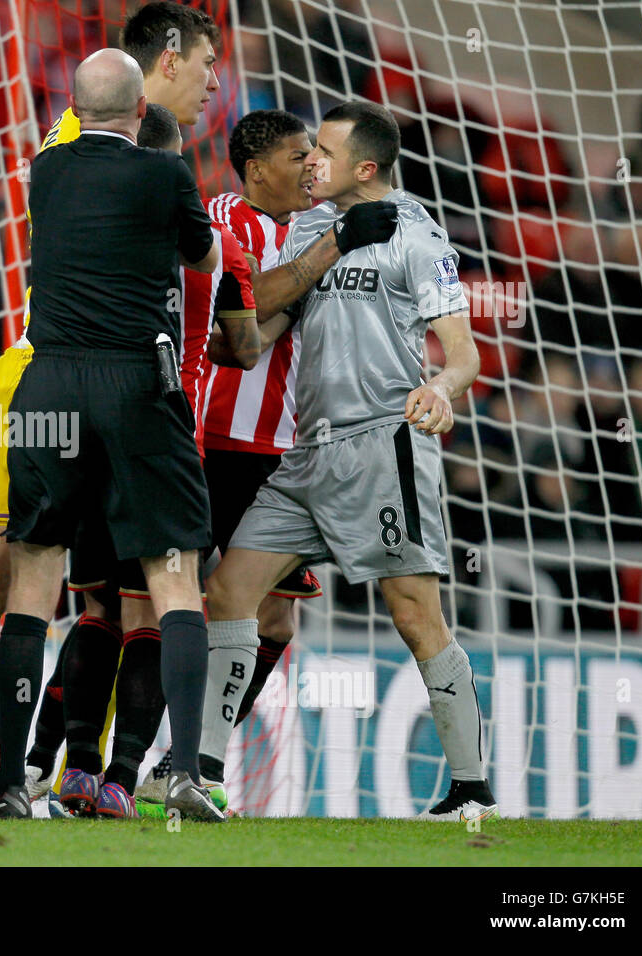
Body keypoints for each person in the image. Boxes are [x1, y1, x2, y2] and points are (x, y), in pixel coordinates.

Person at [0, 0, 395, 817]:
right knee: (11, 578)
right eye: (207, 66)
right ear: (165, 62)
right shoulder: (100, 149)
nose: (215, 85)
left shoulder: (118, 151)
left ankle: (78, 769)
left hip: (70, 381)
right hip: (56, 370)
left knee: (98, 592)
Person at [205, 100, 496, 822]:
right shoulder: (312, 228)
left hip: (380, 447)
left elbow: (465, 353)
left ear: (365, 167)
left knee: (413, 614)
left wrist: (439, 387)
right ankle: (200, 773)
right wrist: (239, 335)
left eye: (324, 153)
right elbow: (260, 318)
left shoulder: (416, 236)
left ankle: (470, 786)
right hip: (306, 454)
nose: (310, 163)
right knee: (230, 594)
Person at [0, 47, 226, 821]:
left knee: (35, 578)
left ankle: (12, 783)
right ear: (141, 111)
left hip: (47, 386)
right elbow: (205, 255)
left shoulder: (43, 173)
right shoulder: (165, 174)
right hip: (135, 386)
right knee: (173, 576)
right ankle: (181, 775)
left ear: (77, 109)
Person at [137, 109, 326, 811]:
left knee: (276, 623)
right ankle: (111, 764)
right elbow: (234, 329)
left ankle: (185, 763)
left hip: (286, 453)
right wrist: (319, 264)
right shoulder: (222, 218)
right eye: (298, 155)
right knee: (170, 606)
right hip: (213, 444)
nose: (312, 166)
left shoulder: (317, 228)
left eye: (316, 154)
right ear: (255, 169)